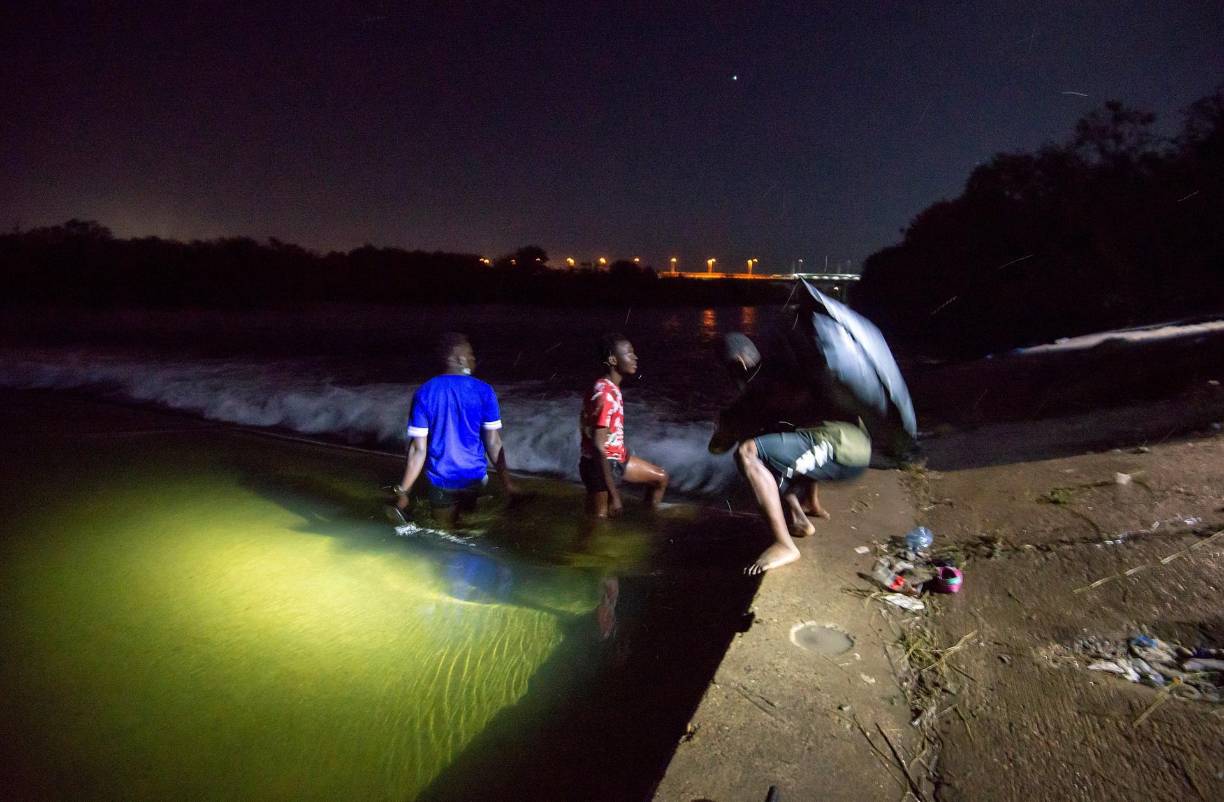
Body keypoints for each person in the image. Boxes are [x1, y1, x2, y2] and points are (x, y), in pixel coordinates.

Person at [711, 331, 871, 575]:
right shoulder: (783, 372)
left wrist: (725, 424)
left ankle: (785, 545)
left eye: (728, 369)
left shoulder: (757, 390)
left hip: (843, 450)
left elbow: (717, 447)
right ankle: (808, 507)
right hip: (854, 444)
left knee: (747, 453)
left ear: (739, 363)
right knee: (776, 445)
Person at [392, 332, 514, 525]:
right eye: (471, 355)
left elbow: (418, 449)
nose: (474, 360)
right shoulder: (484, 391)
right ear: (459, 359)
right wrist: (508, 484)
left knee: (444, 534)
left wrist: (404, 492)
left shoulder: (425, 392)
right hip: (474, 478)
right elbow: (493, 442)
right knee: (466, 528)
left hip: (442, 480)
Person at [578, 333, 668, 517]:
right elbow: (598, 447)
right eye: (629, 353)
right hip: (599, 466)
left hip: (615, 459)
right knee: (598, 524)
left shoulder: (608, 387)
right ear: (613, 359)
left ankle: (647, 519)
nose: (635, 358)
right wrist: (614, 494)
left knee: (660, 478)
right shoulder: (605, 394)